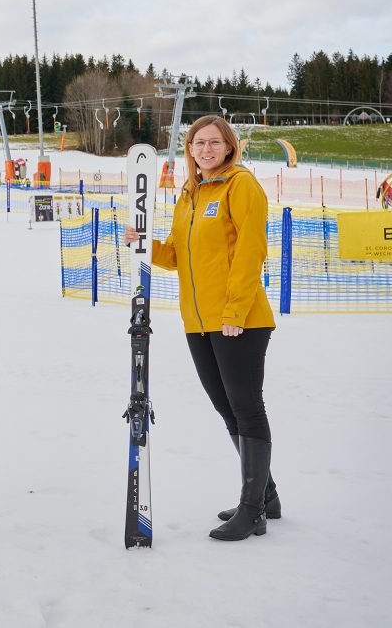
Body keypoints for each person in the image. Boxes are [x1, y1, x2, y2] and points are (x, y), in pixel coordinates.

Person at [126, 115, 278, 541]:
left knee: (246, 406)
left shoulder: (240, 185)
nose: (206, 150)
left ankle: (253, 511)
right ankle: (267, 494)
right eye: (198, 143)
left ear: (229, 147)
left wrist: (234, 312)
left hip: (239, 319)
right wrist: (144, 244)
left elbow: (251, 251)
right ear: (189, 149)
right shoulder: (189, 193)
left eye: (214, 143)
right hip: (197, 320)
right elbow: (178, 255)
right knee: (225, 405)